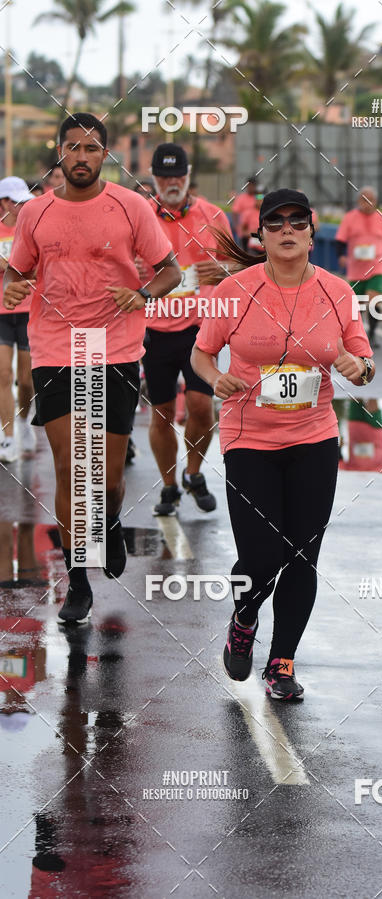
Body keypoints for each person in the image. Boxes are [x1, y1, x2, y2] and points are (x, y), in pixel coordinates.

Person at [191, 188, 375, 700]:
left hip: (314, 437)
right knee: (260, 554)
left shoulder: (337, 292)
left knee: (302, 554)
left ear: (313, 233)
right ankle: (244, 617)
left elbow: (364, 363)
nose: (287, 229)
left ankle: (282, 663)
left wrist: (357, 367)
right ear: (262, 235)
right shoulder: (235, 290)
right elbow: (202, 354)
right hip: (249, 437)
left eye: (298, 221)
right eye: (276, 222)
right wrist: (215, 379)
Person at [4, 112, 181, 625]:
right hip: (56, 347)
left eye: (90, 148)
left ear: (105, 154)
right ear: (59, 153)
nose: (81, 157)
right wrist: (13, 289)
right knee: (69, 467)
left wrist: (142, 294)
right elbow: (17, 272)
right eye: (72, 147)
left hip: (115, 348)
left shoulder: (130, 206)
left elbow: (170, 271)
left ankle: (110, 520)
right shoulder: (35, 213)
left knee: (106, 478)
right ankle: (77, 579)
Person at [141, 143, 232, 516]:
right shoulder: (140, 216)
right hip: (154, 329)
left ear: (188, 175)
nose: (171, 182)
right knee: (161, 412)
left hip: (200, 327)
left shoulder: (213, 216)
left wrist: (224, 270)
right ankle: (169, 486)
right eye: (164, 177)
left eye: (177, 175)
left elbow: (240, 267)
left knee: (201, 407)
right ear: (154, 178)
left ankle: (194, 473)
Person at [0, 177, 36, 462]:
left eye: (25, 201)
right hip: (1, 313)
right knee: (3, 376)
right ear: (3, 203)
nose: (22, 206)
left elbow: (38, 267)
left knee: (26, 380)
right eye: (16, 202)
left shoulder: (32, 228)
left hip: (28, 310)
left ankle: (24, 421)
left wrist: (11, 266)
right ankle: (8, 437)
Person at [335, 186, 382, 348]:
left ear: (376, 201)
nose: (367, 203)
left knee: (373, 299)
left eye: (371, 200)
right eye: (364, 199)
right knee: (358, 305)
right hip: (356, 268)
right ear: (358, 201)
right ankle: (359, 334)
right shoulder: (349, 218)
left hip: (378, 265)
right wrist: (341, 255)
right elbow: (340, 240)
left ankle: (372, 333)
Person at [231, 177, 257, 249]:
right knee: (244, 250)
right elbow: (235, 213)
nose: (251, 188)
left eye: (252, 186)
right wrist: (236, 226)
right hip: (244, 231)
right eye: (249, 185)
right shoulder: (241, 198)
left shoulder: (258, 198)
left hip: (255, 230)